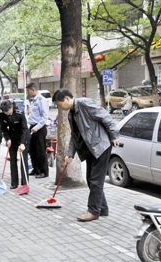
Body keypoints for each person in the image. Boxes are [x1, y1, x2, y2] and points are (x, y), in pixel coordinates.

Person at [52, 88, 120, 222]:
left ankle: (93, 211)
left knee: (96, 179)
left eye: (60, 104)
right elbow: (74, 136)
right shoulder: (71, 113)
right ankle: (102, 208)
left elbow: (106, 117)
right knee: (91, 179)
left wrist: (114, 135)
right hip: (90, 149)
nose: (60, 107)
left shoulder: (85, 104)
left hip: (100, 145)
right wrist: (70, 153)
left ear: (67, 98)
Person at [0, 100, 29, 189]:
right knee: (12, 160)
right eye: (4, 112)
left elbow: (25, 129)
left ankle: (24, 184)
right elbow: (3, 127)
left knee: (24, 160)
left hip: (22, 137)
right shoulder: (2, 114)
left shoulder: (19, 114)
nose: (6, 114)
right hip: (12, 138)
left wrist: (23, 143)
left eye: (7, 111)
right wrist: (7, 138)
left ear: (11, 108)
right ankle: (14, 183)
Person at [26, 83, 49, 179]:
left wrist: (37, 127)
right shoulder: (33, 100)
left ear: (33, 90)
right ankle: (36, 169)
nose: (28, 93)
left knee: (40, 151)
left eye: (28, 91)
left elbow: (45, 117)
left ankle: (44, 171)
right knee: (32, 150)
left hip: (39, 128)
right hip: (32, 127)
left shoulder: (41, 100)